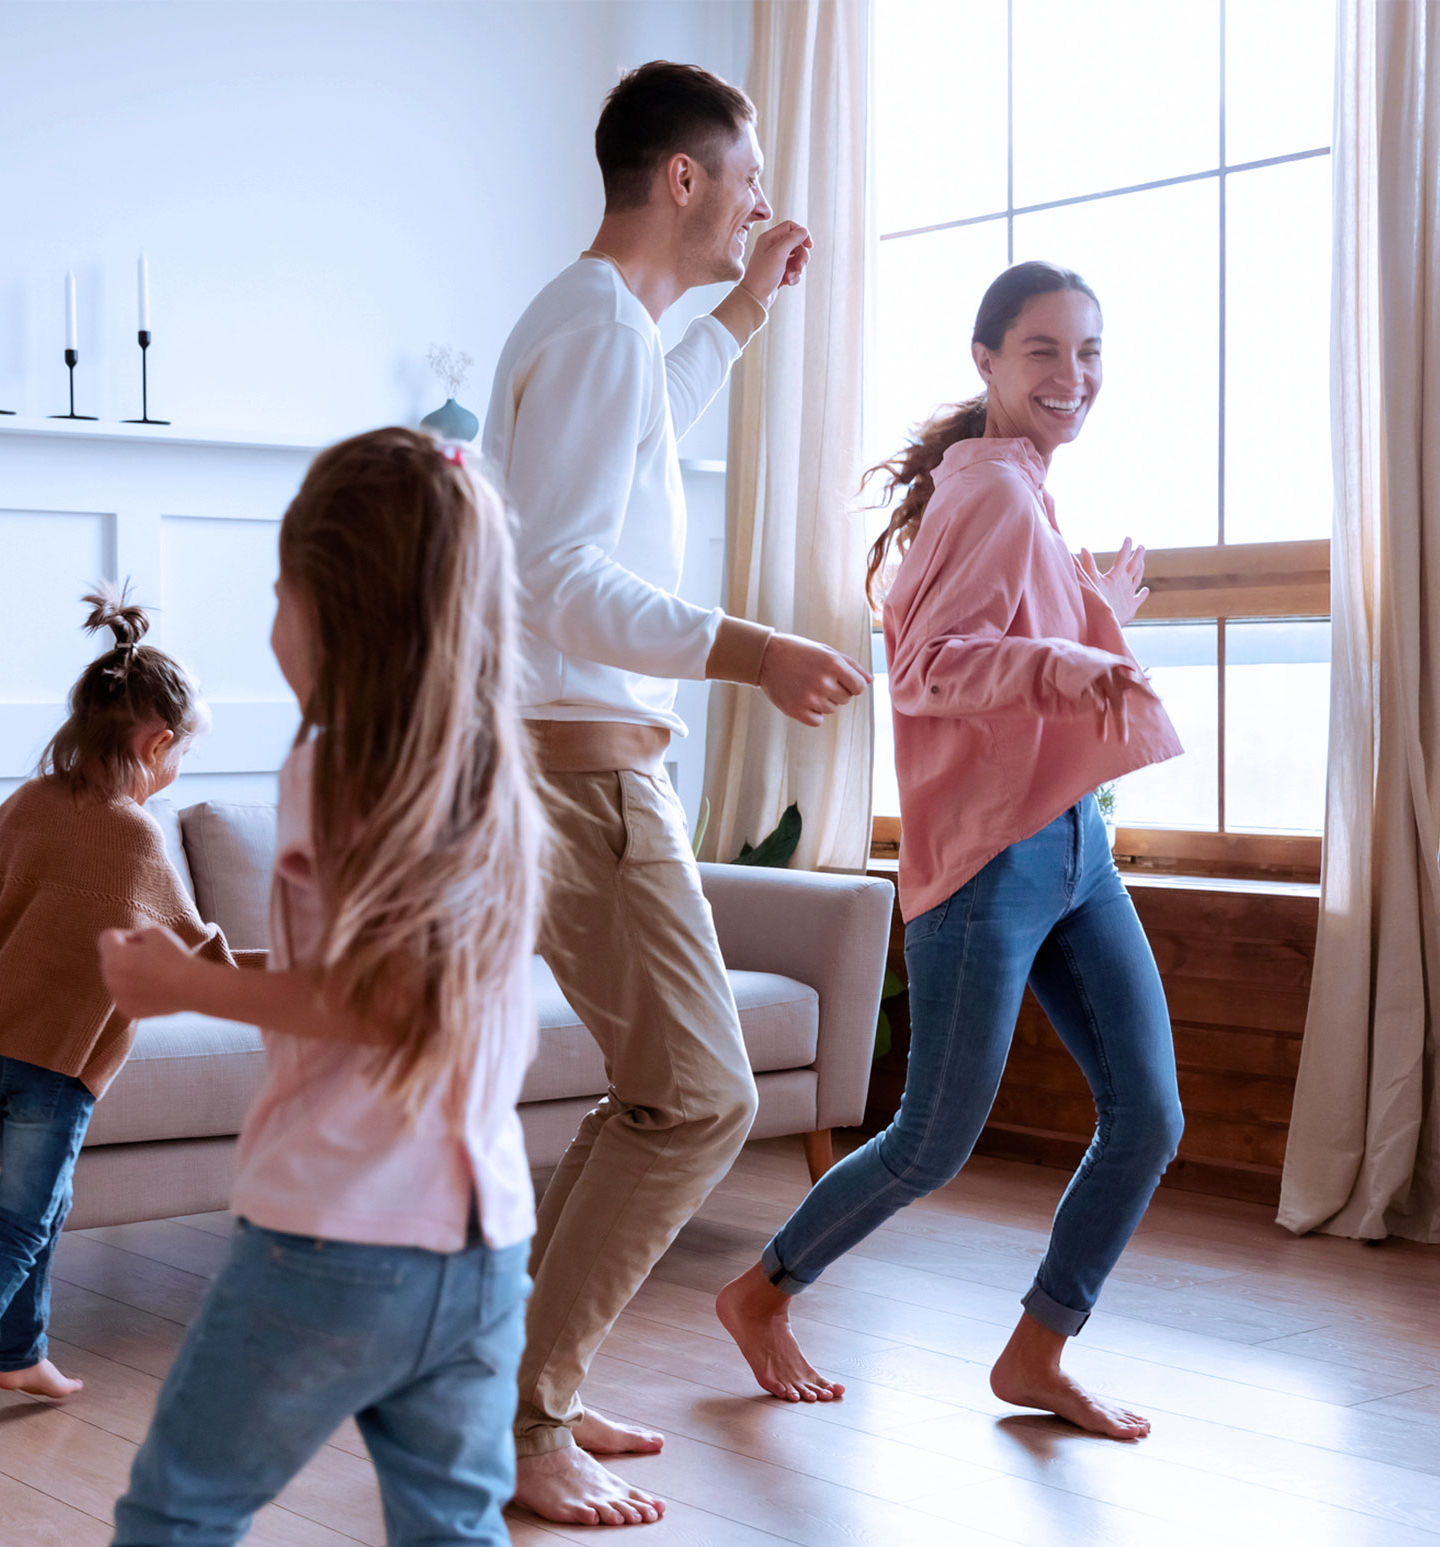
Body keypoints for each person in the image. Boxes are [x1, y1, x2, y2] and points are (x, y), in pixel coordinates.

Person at [481, 60, 869, 1527]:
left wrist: (753, 309)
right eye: (748, 181)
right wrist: (747, 649)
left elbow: (645, 409)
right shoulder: (592, 328)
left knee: (662, 1088)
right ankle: (525, 1419)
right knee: (702, 1096)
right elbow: (560, 573)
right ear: (686, 179)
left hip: (586, 767)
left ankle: (527, 1388)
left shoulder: (606, 331)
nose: (762, 202)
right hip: (587, 776)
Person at [715, 261, 1188, 1441]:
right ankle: (759, 1289)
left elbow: (1010, 630)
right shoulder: (988, 487)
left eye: (1088, 352)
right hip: (990, 863)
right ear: (986, 362)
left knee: (1148, 1115)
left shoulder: (1017, 482)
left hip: (1073, 846)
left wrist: (1097, 610)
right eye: (1043, 351)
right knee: (931, 1136)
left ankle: (1038, 1349)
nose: (1071, 376)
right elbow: (929, 668)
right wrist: (1074, 658)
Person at [99, 429, 545, 1546]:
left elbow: (381, 1003)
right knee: (454, 1525)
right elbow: (386, 980)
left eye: (279, 593)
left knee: (177, 1513)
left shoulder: (339, 762)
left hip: (337, 1231)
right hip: (482, 1242)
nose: (271, 627)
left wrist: (180, 984)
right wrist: (219, 970)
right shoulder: (490, 774)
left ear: (334, 604)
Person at [0, 587, 230, 1475]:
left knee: (42, 1206)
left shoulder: (30, 800)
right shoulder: (141, 839)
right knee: (17, 1226)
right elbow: (202, 957)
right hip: (54, 1067)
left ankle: (20, 1354)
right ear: (157, 745)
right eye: (183, 753)